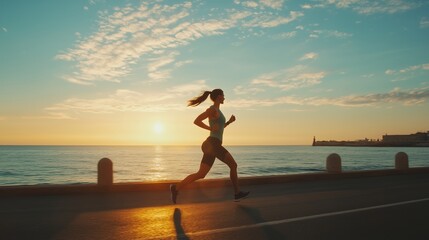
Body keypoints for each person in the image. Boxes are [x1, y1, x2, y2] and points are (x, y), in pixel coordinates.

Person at [170, 89, 249, 204]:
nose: (224, 98)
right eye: (223, 95)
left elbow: (219, 128)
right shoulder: (212, 109)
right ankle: (237, 193)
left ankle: (175, 188)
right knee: (233, 165)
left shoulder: (218, 111)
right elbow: (197, 121)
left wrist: (229, 122)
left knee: (201, 174)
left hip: (211, 145)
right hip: (213, 144)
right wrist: (210, 128)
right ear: (218, 97)